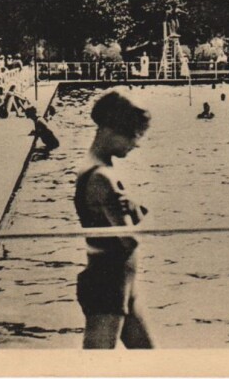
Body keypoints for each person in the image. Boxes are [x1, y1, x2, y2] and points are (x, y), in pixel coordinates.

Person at [74, 90, 154, 349]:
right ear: (110, 130)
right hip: (108, 281)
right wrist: (134, 213)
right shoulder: (100, 178)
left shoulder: (100, 167)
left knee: (153, 361)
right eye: (133, 134)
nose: (137, 143)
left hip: (121, 281)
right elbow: (128, 239)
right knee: (96, 365)